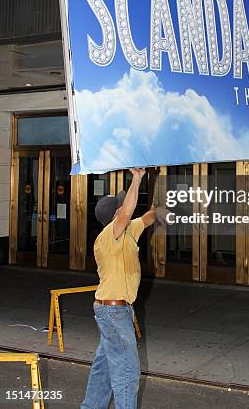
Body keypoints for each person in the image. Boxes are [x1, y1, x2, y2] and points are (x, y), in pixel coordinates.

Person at [81, 167, 162, 409]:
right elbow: (127, 213)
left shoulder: (127, 233)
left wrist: (156, 185)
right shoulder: (108, 236)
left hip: (117, 311)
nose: (125, 206)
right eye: (121, 205)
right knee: (127, 371)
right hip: (113, 312)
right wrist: (136, 178)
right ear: (116, 214)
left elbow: (148, 217)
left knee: (103, 368)